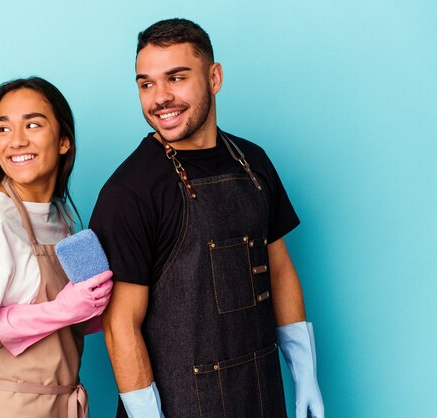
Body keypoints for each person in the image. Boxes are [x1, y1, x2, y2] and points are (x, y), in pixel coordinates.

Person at [89, 18, 325, 418]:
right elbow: (120, 325)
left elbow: (280, 270)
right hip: (182, 406)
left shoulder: (253, 161)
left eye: (176, 78)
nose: (160, 98)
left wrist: (305, 373)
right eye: (146, 84)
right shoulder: (128, 192)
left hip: (260, 395)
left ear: (214, 77)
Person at [0, 77, 113, 418]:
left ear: (63, 141)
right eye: (3, 129)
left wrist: (98, 306)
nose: (16, 141)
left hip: (63, 404)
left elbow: (70, 323)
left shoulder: (62, 217)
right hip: (8, 406)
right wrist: (61, 310)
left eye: (32, 124)